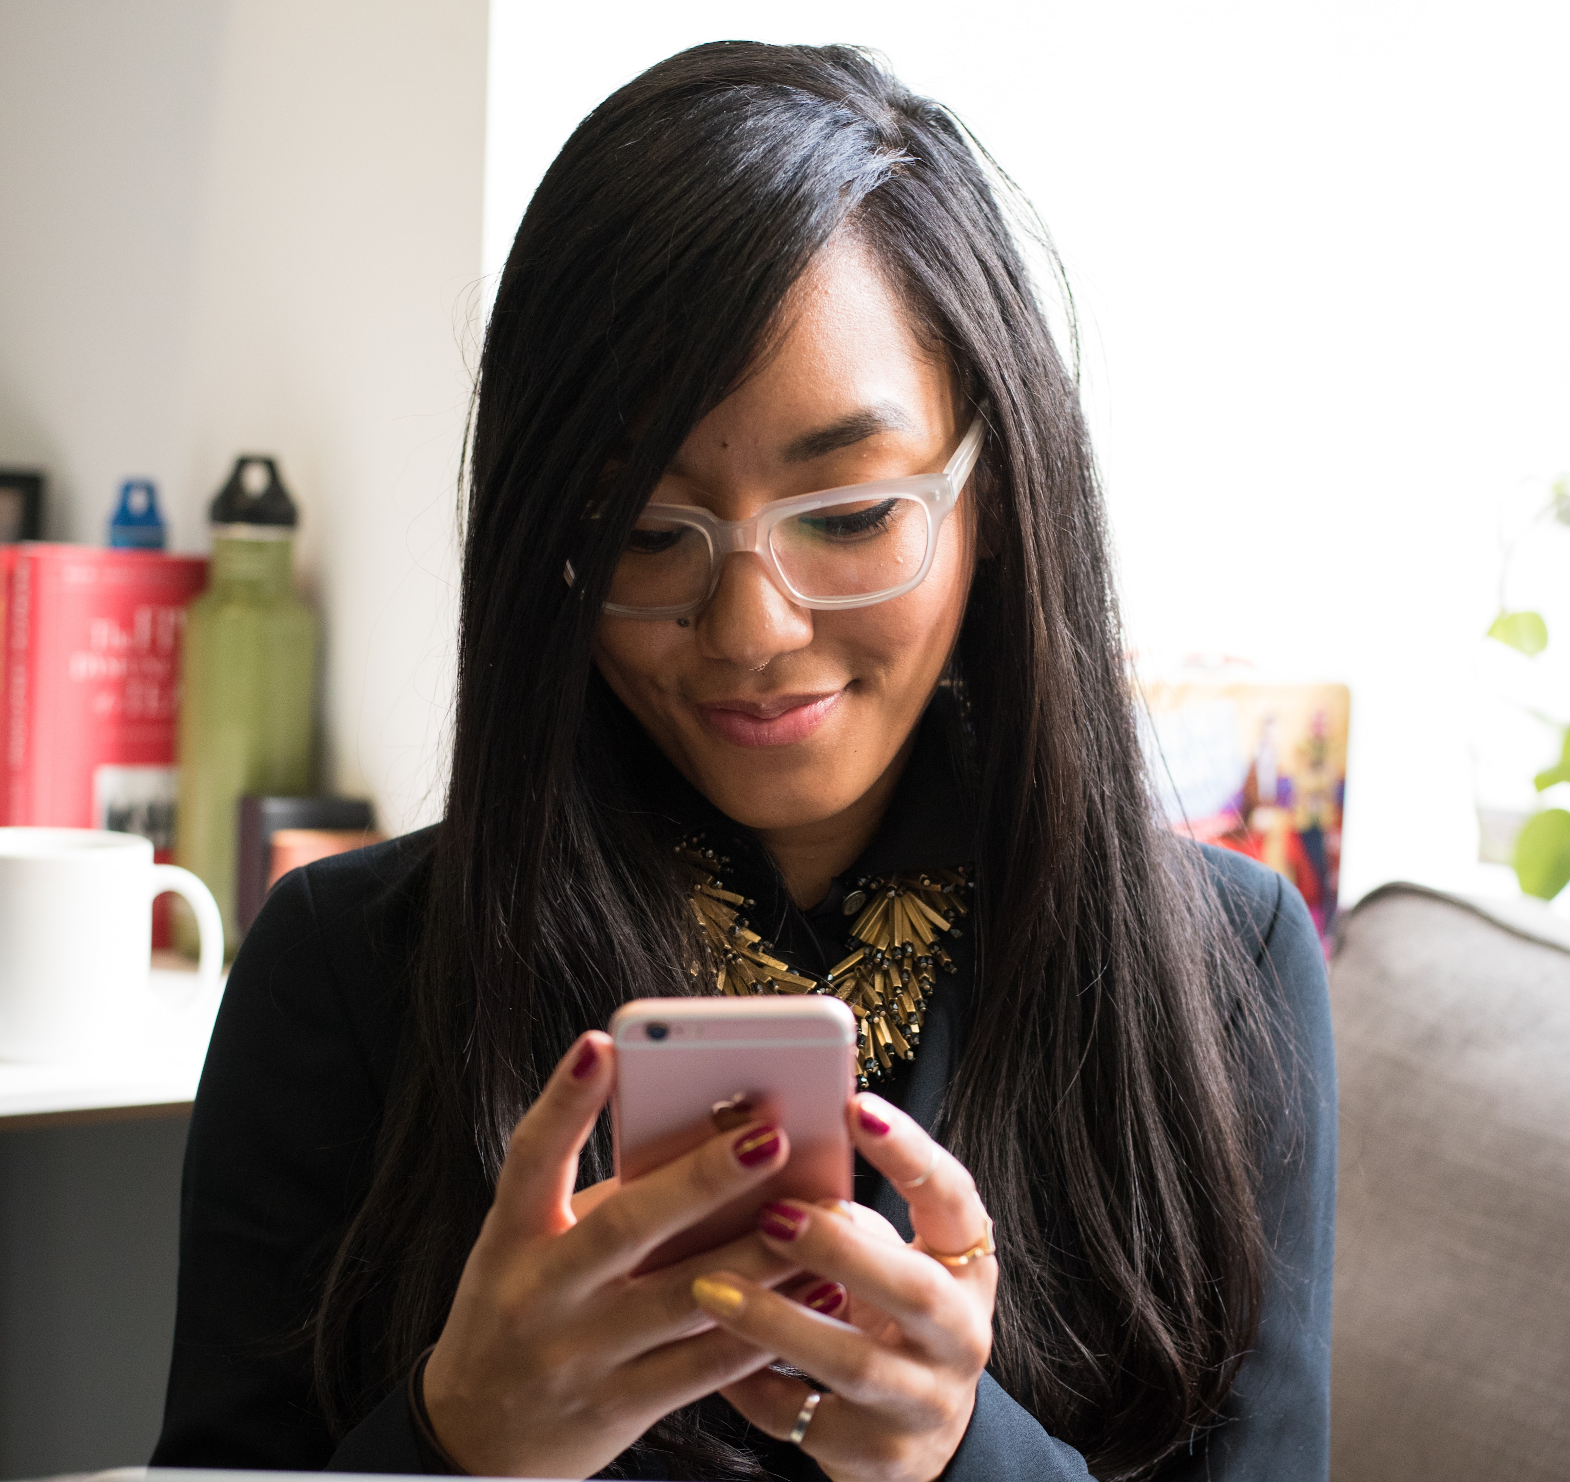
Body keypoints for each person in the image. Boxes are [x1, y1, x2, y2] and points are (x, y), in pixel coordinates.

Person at [152, 41, 1334, 1482]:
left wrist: (962, 1454)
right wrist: (456, 1439)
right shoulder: (348, 972)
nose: (753, 628)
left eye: (845, 514)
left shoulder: (1223, 966)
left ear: (997, 493)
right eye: (649, 535)